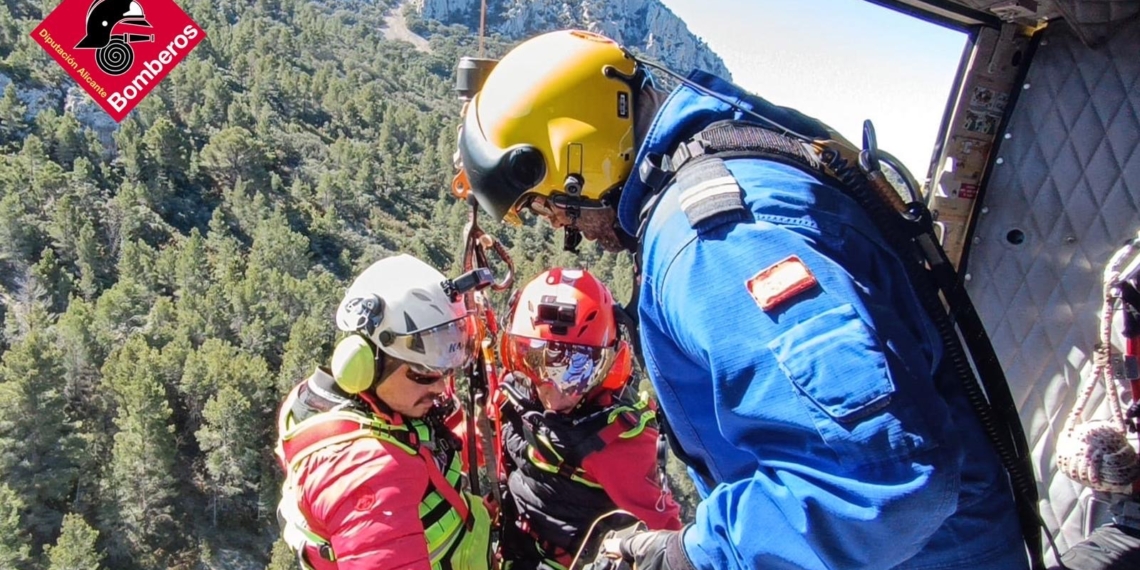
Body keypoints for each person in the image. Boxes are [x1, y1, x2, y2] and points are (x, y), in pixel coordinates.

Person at [454, 29, 1029, 570]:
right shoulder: (738, 158)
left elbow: (876, 477)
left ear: (576, 156)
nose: (557, 223)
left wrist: (691, 556)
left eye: (545, 203)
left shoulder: (716, 242)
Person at [274, 253, 492, 570]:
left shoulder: (336, 402)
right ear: (368, 364)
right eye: (425, 374)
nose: (441, 386)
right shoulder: (368, 473)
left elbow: (427, 443)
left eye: (445, 372)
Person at [495, 267, 681, 569]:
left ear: (607, 365)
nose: (555, 391)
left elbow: (666, 539)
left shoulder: (619, 442)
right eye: (536, 362)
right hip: (514, 544)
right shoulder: (515, 392)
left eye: (578, 370)